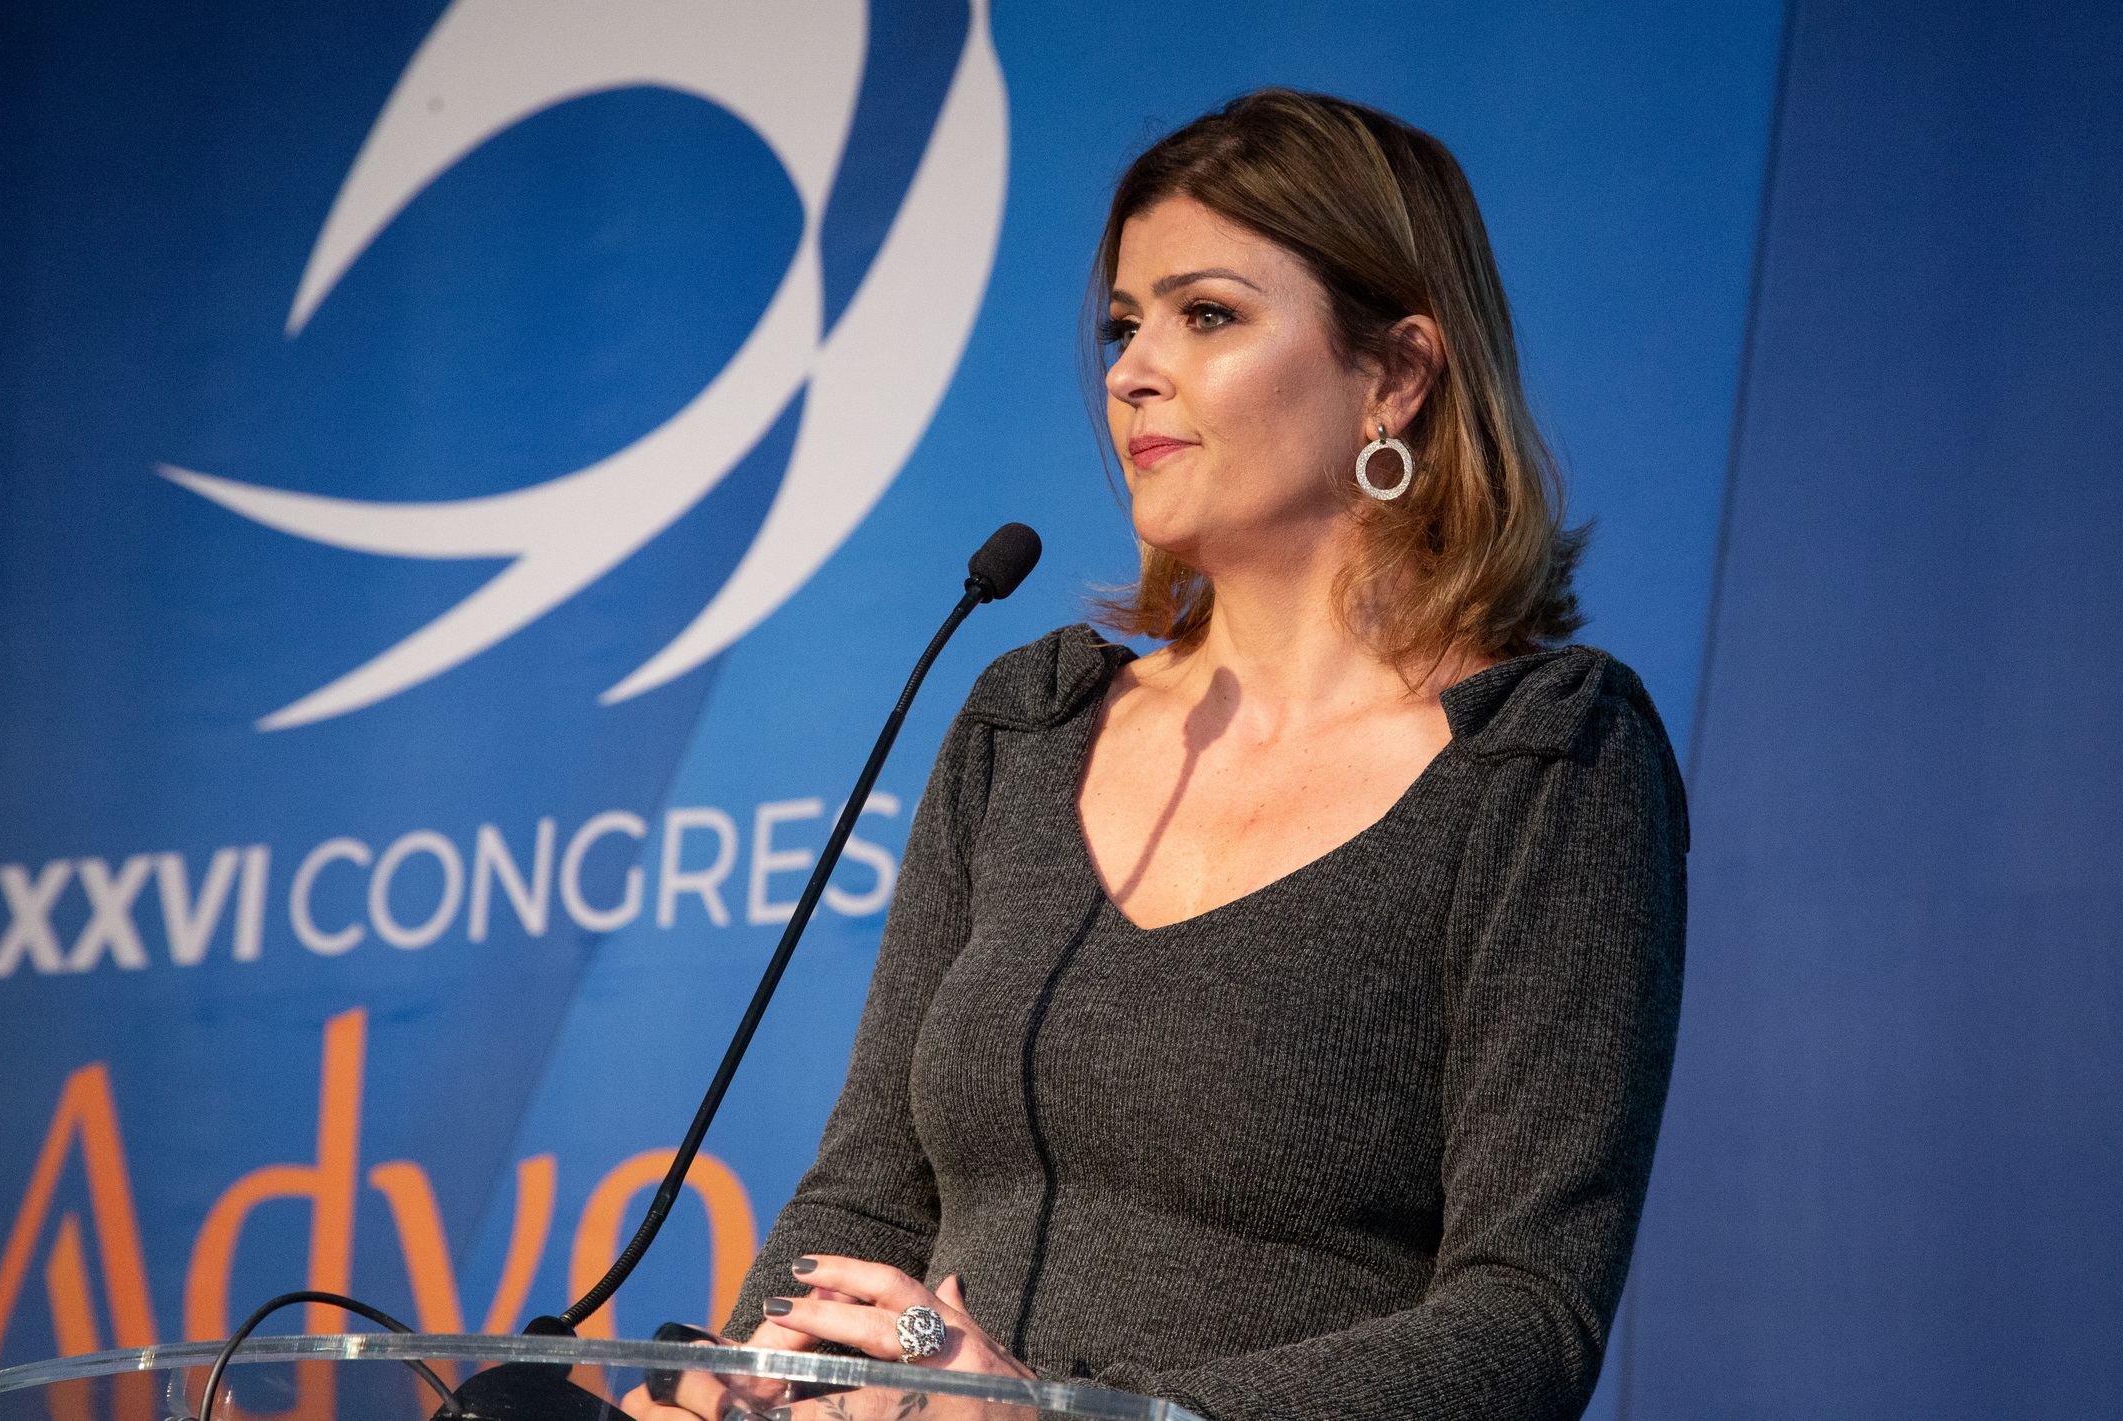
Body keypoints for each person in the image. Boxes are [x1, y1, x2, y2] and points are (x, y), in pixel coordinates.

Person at [625, 87, 1686, 1421]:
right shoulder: (1029, 723)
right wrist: (738, 1386)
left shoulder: (1546, 763)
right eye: (1124, 325)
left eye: (1209, 316)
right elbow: (870, 1196)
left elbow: (1525, 1320)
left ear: (1396, 376)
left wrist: (1066, 1417)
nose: (1131, 371)